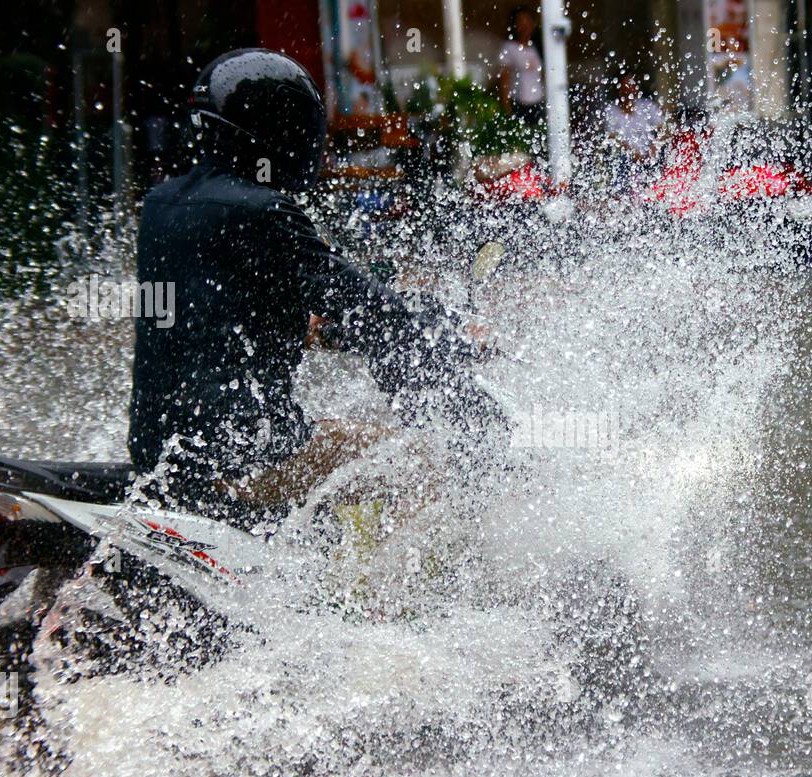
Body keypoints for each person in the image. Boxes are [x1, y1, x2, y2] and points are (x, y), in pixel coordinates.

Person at [130, 49, 488, 520]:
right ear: (279, 132)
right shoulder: (262, 211)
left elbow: (217, 316)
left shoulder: (161, 205)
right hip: (243, 452)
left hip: (158, 452)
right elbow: (363, 302)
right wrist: (437, 334)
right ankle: (383, 595)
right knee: (420, 460)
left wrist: (330, 331)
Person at [603, 73, 663, 195]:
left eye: (631, 87)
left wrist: (654, 146)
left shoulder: (646, 106)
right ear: (619, 90)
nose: (629, 91)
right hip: (625, 158)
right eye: (625, 88)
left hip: (648, 156)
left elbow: (663, 129)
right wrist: (632, 152)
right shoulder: (612, 112)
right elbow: (612, 137)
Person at [498, 6, 545, 150]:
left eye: (527, 22)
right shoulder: (509, 48)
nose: (524, 26)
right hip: (519, 103)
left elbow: (541, 76)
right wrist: (506, 107)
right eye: (520, 23)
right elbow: (504, 77)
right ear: (514, 26)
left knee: (539, 143)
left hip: (537, 101)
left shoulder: (536, 47)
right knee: (521, 144)